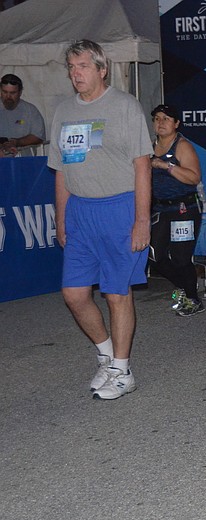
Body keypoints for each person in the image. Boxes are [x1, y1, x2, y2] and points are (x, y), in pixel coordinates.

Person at [47, 39, 151, 400]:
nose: (76, 74)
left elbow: (142, 165)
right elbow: (61, 170)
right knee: (74, 294)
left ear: (102, 69)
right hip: (80, 212)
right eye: (72, 68)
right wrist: (61, 219)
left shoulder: (125, 107)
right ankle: (106, 356)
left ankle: (123, 371)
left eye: (83, 67)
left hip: (119, 209)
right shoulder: (62, 111)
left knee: (116, 293)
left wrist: (141, 220)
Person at [148, 104, 204, 317]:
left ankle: (193, 299)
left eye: (166, 119)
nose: (161, 123)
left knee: (181, 257)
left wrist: (166, 166)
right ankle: (184, 286)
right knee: (154, 256)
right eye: (157, 119)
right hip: (161, 207)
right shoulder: (149, 145)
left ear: (176, 123)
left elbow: (194, 177)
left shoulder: (182, 146)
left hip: (185, 207)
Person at [0, 73, 45, 157]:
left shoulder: (30, 110)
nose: (8, 96)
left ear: (20, 92)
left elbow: (38, 137)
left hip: (23, 163)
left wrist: (17, 142)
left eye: (12, 93)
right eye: (5, 92)